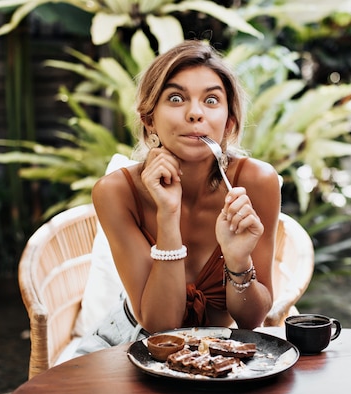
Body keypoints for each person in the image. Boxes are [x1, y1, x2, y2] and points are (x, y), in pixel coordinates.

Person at [75, 40, 280, 354]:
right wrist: (167, 215)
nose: (195, 113)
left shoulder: (256, 182)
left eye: (211, 100)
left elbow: (251, 319)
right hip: (127, 345)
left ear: (228, 123)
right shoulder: (115, 193)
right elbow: (161, 324)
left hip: (218, 354)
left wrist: (238, 260)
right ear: (149, 119)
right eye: (175, 98)